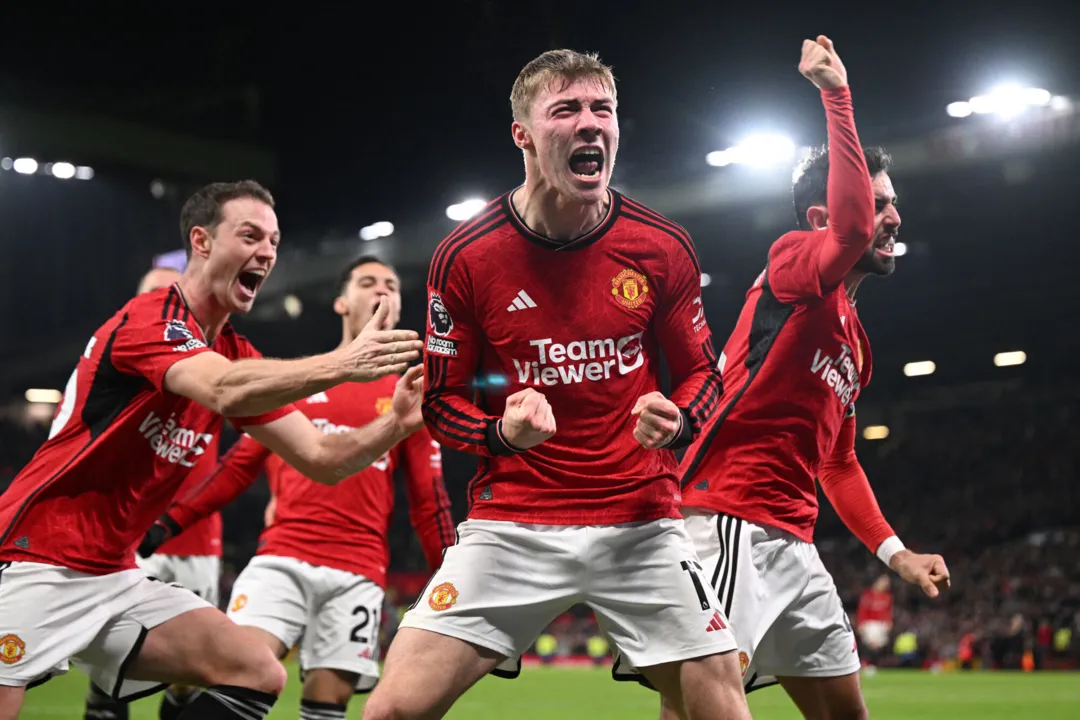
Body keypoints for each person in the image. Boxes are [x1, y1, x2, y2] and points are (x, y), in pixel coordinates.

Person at [361, 50, 750, 720]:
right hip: (513, 521)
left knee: (720, 713)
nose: (590, 124)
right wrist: (500, 434)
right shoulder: (467, 256)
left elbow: (701, 374)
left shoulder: (661, 246)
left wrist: (679, 419)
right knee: (390, 711)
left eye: (603, 109)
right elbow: (441, 403)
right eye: (566, 109)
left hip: (640, 517)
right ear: (524, 134)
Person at [0, 180, 425, 720]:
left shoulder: (234, 353)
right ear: (200, 241)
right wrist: (345, 363)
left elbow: (322, 457)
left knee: (254, 670)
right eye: (250, 235)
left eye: (273, 241)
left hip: (112, 574)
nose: (267, 252)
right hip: (35, 558)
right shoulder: (150, 318)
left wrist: (398, 426)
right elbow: (223, 388)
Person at [659, 37, 950, 720]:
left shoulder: (856, 344)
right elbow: (848, 231)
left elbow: (840, 462)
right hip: (726, 519)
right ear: (823, 217)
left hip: (793, 541)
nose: (894, 216)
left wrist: (897, 554)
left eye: (893, 203)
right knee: (702, 705)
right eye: (880, 202)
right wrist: (836, 96)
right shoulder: (794, 266)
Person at [137, 255, 455, 720]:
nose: (381, 290)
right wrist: (169, 523)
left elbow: (430, 501)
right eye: (367, 282)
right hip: (282, 558)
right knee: (238, 672)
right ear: (342, 303)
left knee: (326, 707)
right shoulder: (301, 381)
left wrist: (450, 582)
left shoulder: (408, 395)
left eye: (391, 283)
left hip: (359, 571)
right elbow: (236, 468)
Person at [80, 266, 227, 720]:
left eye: (172, 294)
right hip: (123, 537)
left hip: (195, 538)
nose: (165, 304)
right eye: (154, 294)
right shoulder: (116, 361)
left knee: (188, 676)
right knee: (109, 670)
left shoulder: (214, 365)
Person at [855, 575, 894, 670]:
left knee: (880, 645)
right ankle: (865, 663)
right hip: (868, 623)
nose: (885, 585)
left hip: (881, 624)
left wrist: (889, 622)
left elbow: (888, 611)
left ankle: (876, 665)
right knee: (870, 644)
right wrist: (860, 624)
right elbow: (862, 610)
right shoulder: (867, 595)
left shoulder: (887, 596)